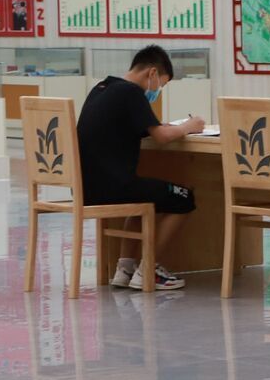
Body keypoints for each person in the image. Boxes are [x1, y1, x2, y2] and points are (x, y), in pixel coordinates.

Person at [76, 45, 205, 291]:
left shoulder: (103, 88)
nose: (157, 92)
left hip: (87, 188)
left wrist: (166, 127)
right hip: (114, 189)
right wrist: (189, 126)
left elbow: (139, 127)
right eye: (161, 85)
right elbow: (162, 137)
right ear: (152, 73)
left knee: (144, 199)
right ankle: (149, 269)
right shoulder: (131, 93)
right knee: (185, 198)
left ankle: (125, 269)